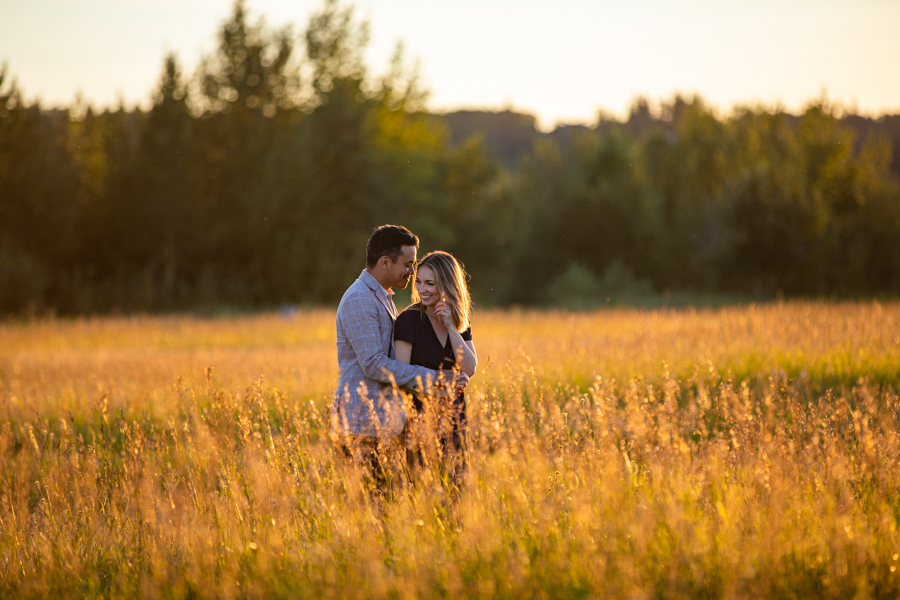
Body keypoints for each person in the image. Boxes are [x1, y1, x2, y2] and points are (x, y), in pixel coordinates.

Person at [332, 225, 466, 498]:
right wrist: (436, 378)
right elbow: (373, 364)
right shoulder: (359, 298)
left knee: (387, 506)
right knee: (370, 509)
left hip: (381, 423)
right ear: (385, 262)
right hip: (363, 424)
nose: (412, 271)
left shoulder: (381, 297)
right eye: (408, 264)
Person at [394, 251, 477, 494]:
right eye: (419, 281)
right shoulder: (408, 321)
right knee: (424, 496)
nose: (422, 289)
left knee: (457, 497)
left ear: (447, 284)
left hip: (455, 422)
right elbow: (401, 375)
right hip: (419, 424)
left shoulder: (459, 320)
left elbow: (470, 367)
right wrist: (441, 382)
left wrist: (452, 326)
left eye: (430, 283)